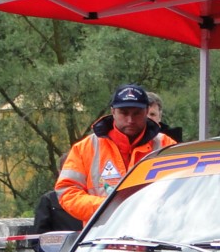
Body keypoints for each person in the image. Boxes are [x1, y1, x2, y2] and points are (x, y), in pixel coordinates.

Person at [56, 83, 176, 225]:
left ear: (146, 112)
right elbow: (67, 192)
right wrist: (108, 208)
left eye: (137, 113)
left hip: (153, 231)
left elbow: (182, 191)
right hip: (103, 234)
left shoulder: (166, 146)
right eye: (124, 113)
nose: (130, 120)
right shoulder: (85, 148)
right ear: (113, 112)